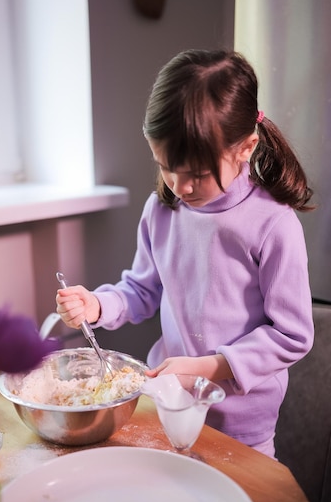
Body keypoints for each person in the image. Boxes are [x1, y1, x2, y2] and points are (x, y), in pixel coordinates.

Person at [56, 49, 315, 458]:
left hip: (242, 428)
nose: (179, 186)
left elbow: (292, 335)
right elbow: (141, 290)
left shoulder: (273, 224)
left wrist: (206, 366)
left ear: (246, 147)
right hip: (169, 406)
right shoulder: (162, 211)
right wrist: (97, 305)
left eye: (195, 173)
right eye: (165, 167)